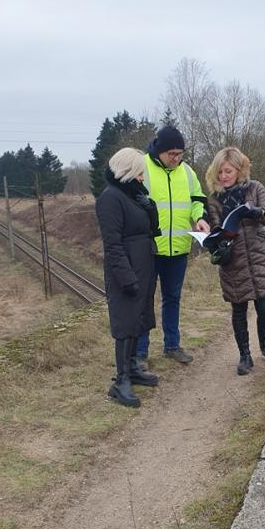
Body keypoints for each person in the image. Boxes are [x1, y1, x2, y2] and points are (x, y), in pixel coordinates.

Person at [205, 146, 265, 375]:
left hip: (259, 256)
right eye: (220, 172)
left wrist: (258, 212)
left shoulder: (255, 188)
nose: (223, 176)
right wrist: (215, 243)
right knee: (239, 310)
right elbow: (214, 230)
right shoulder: (214, 200)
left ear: (239, 170)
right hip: (233, 261)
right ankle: (245, 356)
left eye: (228, 171)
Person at [136, 126, 210, 366]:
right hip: (149, 249)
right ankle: (140, 353)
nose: (176, 158)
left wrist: (200, 218)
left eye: (179, 154)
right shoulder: (141, 167)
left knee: (172, 298)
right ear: (159, 150)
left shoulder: (187, 172)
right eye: (171, 154)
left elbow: (198, 200)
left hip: (178, 248)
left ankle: (172, 346)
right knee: (144, 300)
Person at [95, 148, 160, 408]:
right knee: (125, 323)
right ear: (127, 172)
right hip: (127, 271)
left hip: (144, 266)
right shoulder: (110, 198)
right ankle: (120, 381)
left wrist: (151, 209)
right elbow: (112, 245)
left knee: (139, 320)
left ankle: (132, 369)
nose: (142, 177)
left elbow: (151, 230)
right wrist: (127, 278)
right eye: (139, 172)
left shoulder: (133, 195)